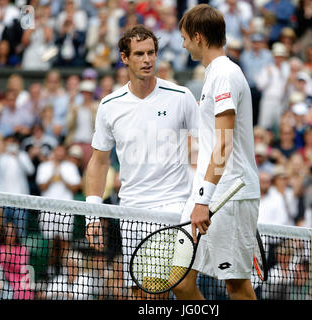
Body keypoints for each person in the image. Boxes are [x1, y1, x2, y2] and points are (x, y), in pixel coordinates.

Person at [84, 25, 198, 298]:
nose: (147, 59)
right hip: (132, 212)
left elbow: (208, 148)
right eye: (139, 54)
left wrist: (202, 199)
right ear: (124, 58)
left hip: (175, 208)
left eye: (151, 53)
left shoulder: (182, 97)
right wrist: (92, 214)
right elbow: (99, 162)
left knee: (171, 290)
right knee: (141, 296)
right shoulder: (110, 105)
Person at [175, 4, 260, 300]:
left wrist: (203, 199)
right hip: (209, 194)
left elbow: (223, 145)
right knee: (180, 281)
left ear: (198, 37)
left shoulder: (224, 74)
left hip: (229, 196)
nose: (182, 44)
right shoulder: (214, 74)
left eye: (185, 37)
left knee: (236, 286)